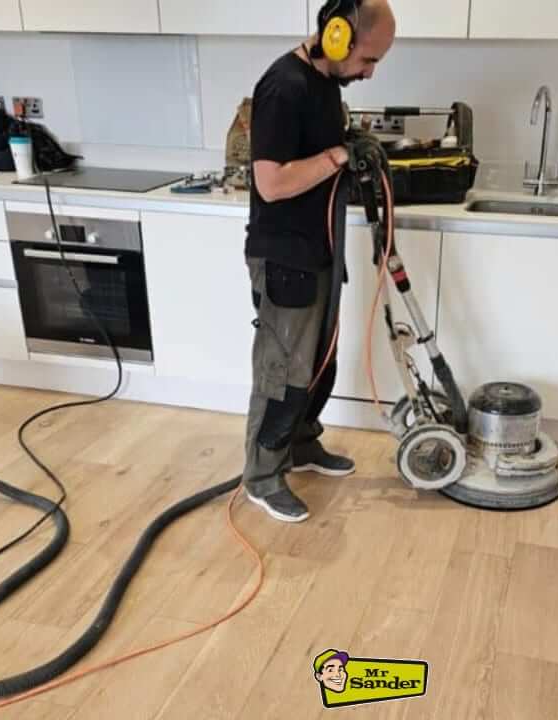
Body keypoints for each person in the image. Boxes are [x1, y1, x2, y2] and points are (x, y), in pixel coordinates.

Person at [242, 0, 397, 523]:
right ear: (336, 37)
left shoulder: (325, 84)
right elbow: (271, 181)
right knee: (283, 372)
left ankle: (301, 446)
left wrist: (349, 143)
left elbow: (316, 149)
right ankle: (262, 477)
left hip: (320, 249)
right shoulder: (283, 86)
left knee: (320, 362)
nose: (370, 72)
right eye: (368, 59)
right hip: (285, 257)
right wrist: (335, 157)